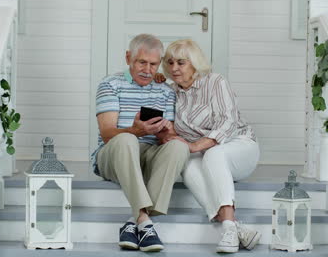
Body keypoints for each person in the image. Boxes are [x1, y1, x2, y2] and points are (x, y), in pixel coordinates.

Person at [159, 39, 261, 253]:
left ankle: (228, 226)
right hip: (203, 153)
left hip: (238, 145)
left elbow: (228, 122)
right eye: (169, 63)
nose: (174, 68)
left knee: (212, 155)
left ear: (194, 63)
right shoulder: (169, 92)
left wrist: (195, 146)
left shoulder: (215, 82)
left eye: (181, 62)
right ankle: (232, 227)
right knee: (187, 166)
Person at [91, 34, 190, 252]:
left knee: (178, 146)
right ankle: (144, 220)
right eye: (141, 62)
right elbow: (107, 134)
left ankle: (132, 223)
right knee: (126, 139)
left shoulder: (165, 90)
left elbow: (166, 138)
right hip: (113, 155)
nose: (147, 70)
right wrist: (135, 130)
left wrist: (165, 132)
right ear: (129, 58)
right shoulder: (110, 84)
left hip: (148, 154)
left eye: (153, 64)